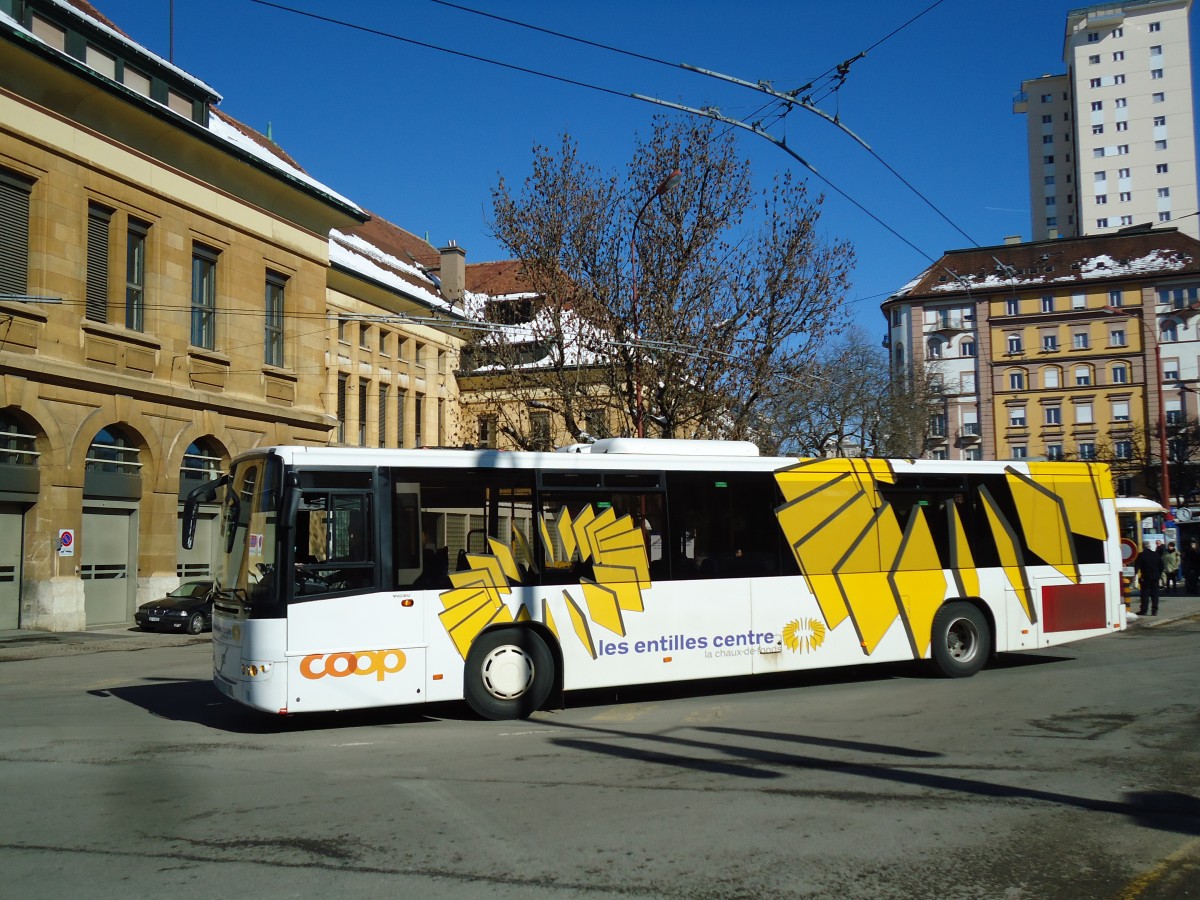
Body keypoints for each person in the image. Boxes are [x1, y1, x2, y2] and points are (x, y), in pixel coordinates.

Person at [1135, 541, 1164, 616]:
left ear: (1143, 547)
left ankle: (1144, 610)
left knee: (1145, 594)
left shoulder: (1141, 555)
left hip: (1145, 577)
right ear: (1149, 546)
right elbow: (1162, 566)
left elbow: (1136, 566)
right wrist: (1158, 574)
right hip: (1155, 577)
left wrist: (1134, 575)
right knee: (1155, 594)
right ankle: (1154, 611)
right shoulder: (1156, 555)